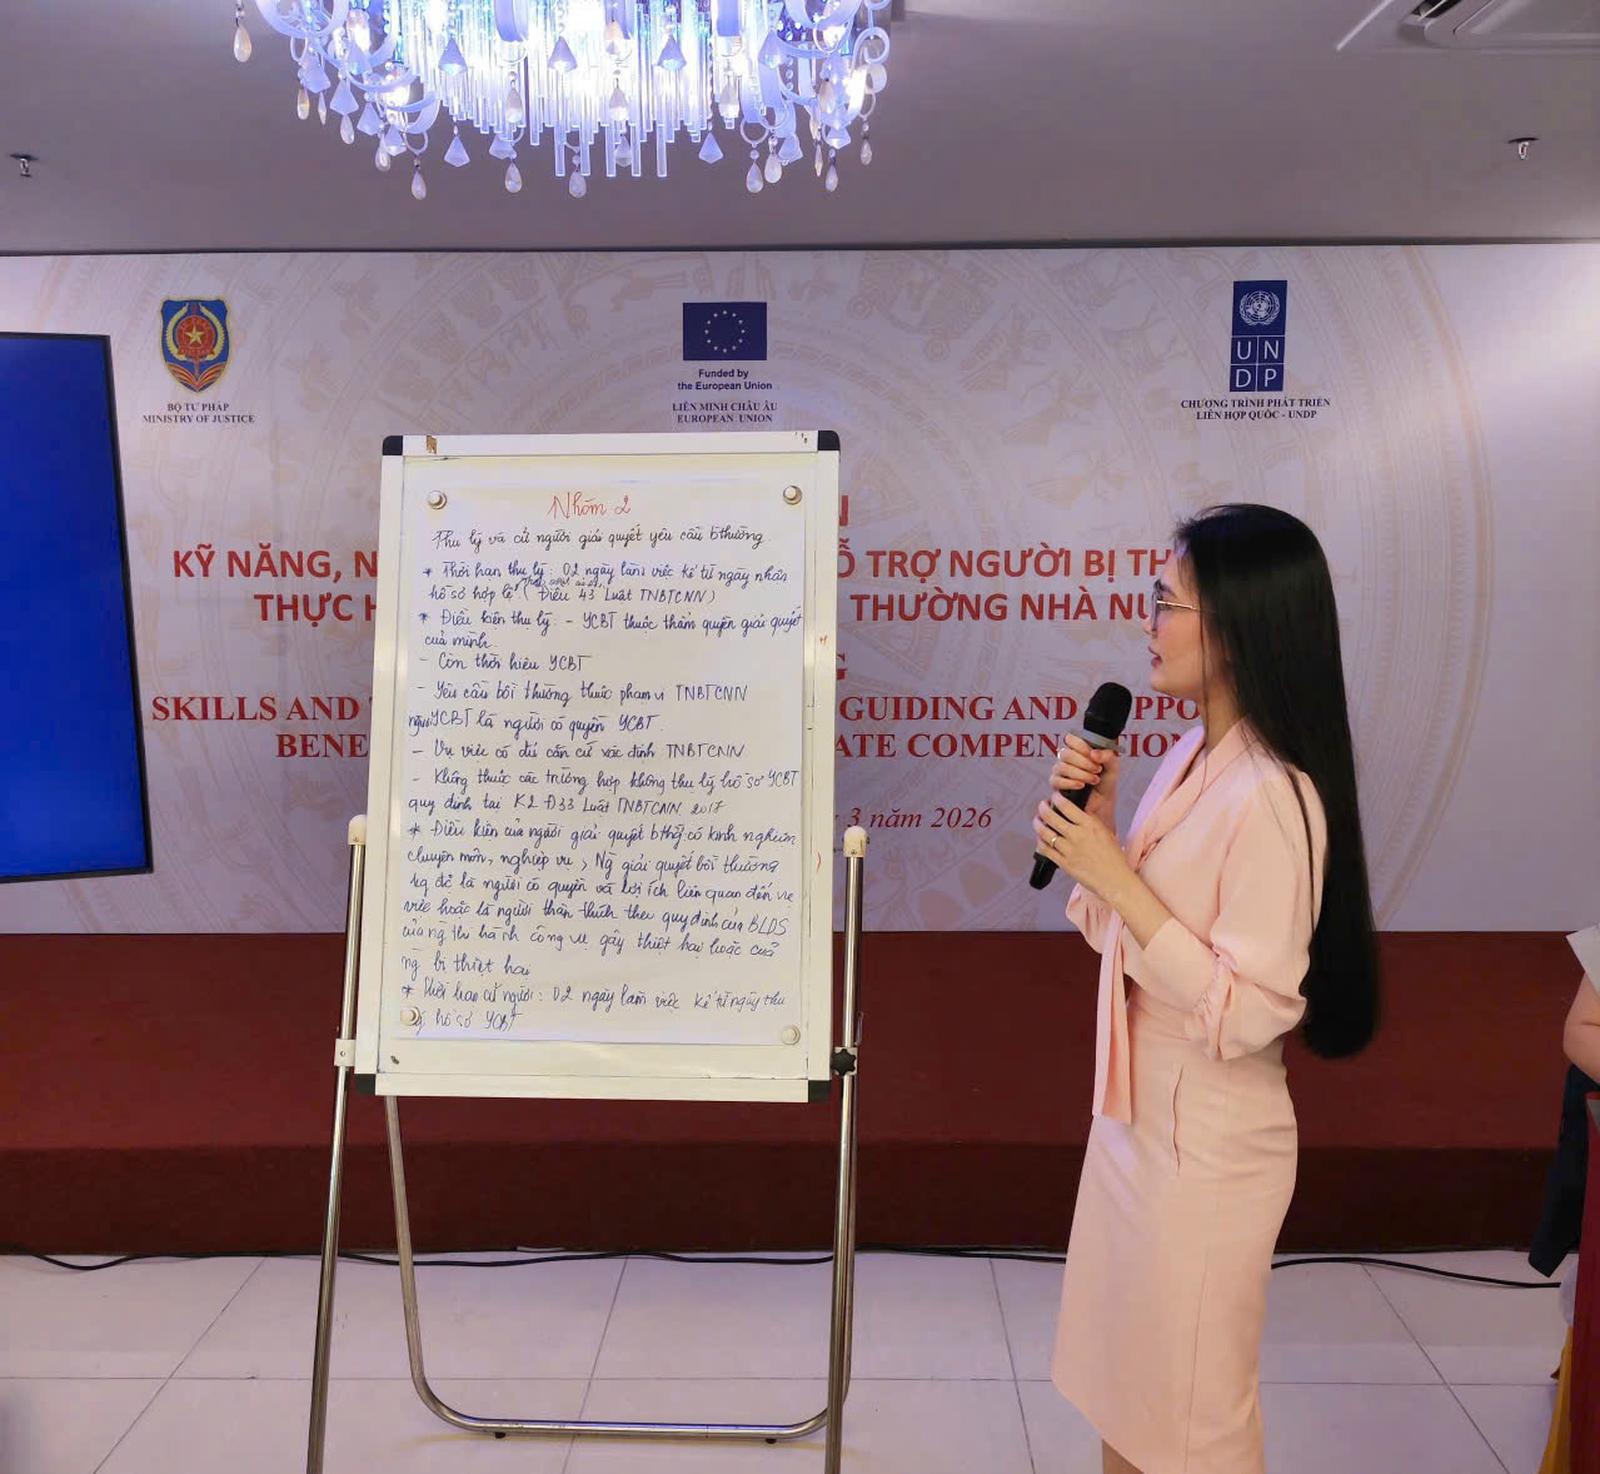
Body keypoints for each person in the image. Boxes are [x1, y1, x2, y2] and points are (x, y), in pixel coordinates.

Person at [1033, 503, 1380, 1474]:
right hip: (1136, 1124)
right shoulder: (1191, 755)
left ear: (1234, 628)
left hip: (1208, 1150)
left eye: (1166, 602)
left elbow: (1250, 1011)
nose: (1148, 621)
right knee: (1127, 1395)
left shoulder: (1276, 793)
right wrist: (1101, 838)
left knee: (1193, 1425)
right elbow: (1127, 936)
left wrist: (1116, 878)